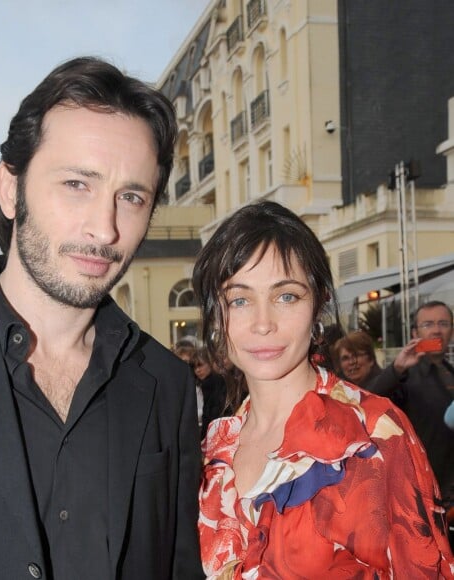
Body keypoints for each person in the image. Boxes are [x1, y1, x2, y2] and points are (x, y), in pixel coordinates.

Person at [0, 57, 204, 580]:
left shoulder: (167, 384)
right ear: (11, 189)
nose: (105, 228)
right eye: (77, 184)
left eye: (132, 196)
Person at [192, 200, 453, 578]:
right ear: (218, 314)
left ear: (318, 305)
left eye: (286, 296)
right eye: (240, 299)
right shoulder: (214, 448)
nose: (263, 323)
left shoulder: (375, 434)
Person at [368, 301, 454, 523]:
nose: (436, 330)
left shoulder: (450, 372)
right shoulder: (405, 375)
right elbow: (369, 402)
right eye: (428, 324)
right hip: (425, 499)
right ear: (416, 332)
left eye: (443, 323)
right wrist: (396, 369)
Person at [192, 348, 229, 439]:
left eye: (200, 365)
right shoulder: (207, 383)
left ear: (210, 363)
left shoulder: (213, 383)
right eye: (194, 367)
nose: (197, 370)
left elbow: (210, 415)